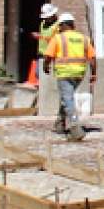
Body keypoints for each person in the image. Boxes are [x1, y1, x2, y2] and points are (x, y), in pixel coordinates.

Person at [42, 12, 96, 141]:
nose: (59, 28)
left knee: (68, 99)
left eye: (60, 26)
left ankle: (75, 128)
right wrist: (94, 73)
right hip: (79, 74)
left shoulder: (58, 38)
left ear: (63, 25)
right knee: (67, 98)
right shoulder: (84, 38)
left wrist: (46, 66)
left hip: (65, 73)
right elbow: (92, 58)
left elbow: (48, 56)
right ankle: (60, 124)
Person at [27, 3, 59, 87]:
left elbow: (56, 40)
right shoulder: (43, 23)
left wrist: (40, 36)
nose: (46, 19)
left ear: (53, 15)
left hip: (52, 55)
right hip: (41, 53)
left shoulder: (58, 25)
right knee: (38, 73)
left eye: (48, 17)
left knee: (49, 75)